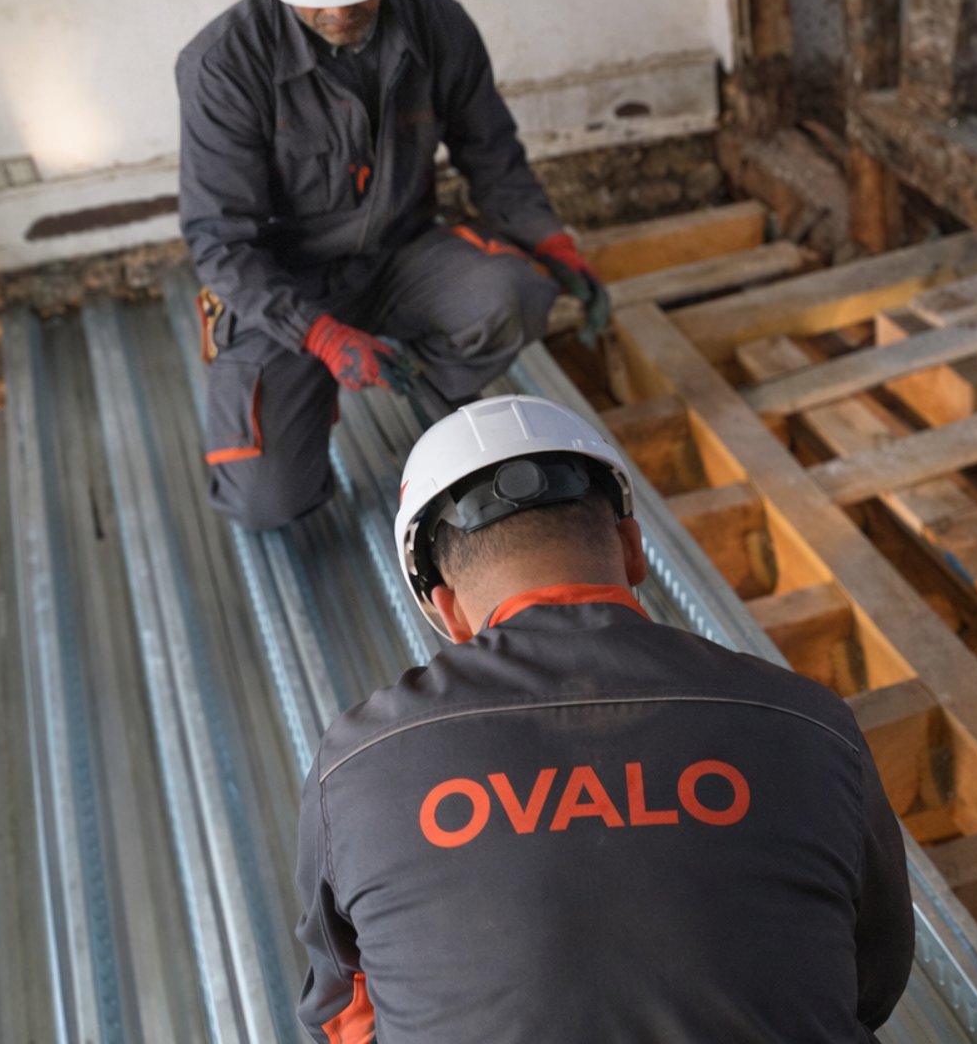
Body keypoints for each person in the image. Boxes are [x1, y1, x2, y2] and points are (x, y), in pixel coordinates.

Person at [293, 395, 915, 1042]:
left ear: (447, 613)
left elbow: (342, 1011)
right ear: (632, 546)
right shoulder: (809, 722)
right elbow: (872, 972)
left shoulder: (358, 762)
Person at [177, 0, 609, 531]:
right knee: (265, 503)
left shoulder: (441, 27)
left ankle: (423, 393)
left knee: (515, 293)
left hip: (402, 257)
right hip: (285, 295)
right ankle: (317, 386)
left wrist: (553, 242)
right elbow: (221, 244)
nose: (342, 10)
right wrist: (318, 335)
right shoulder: (224, 66)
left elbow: (492, 158)